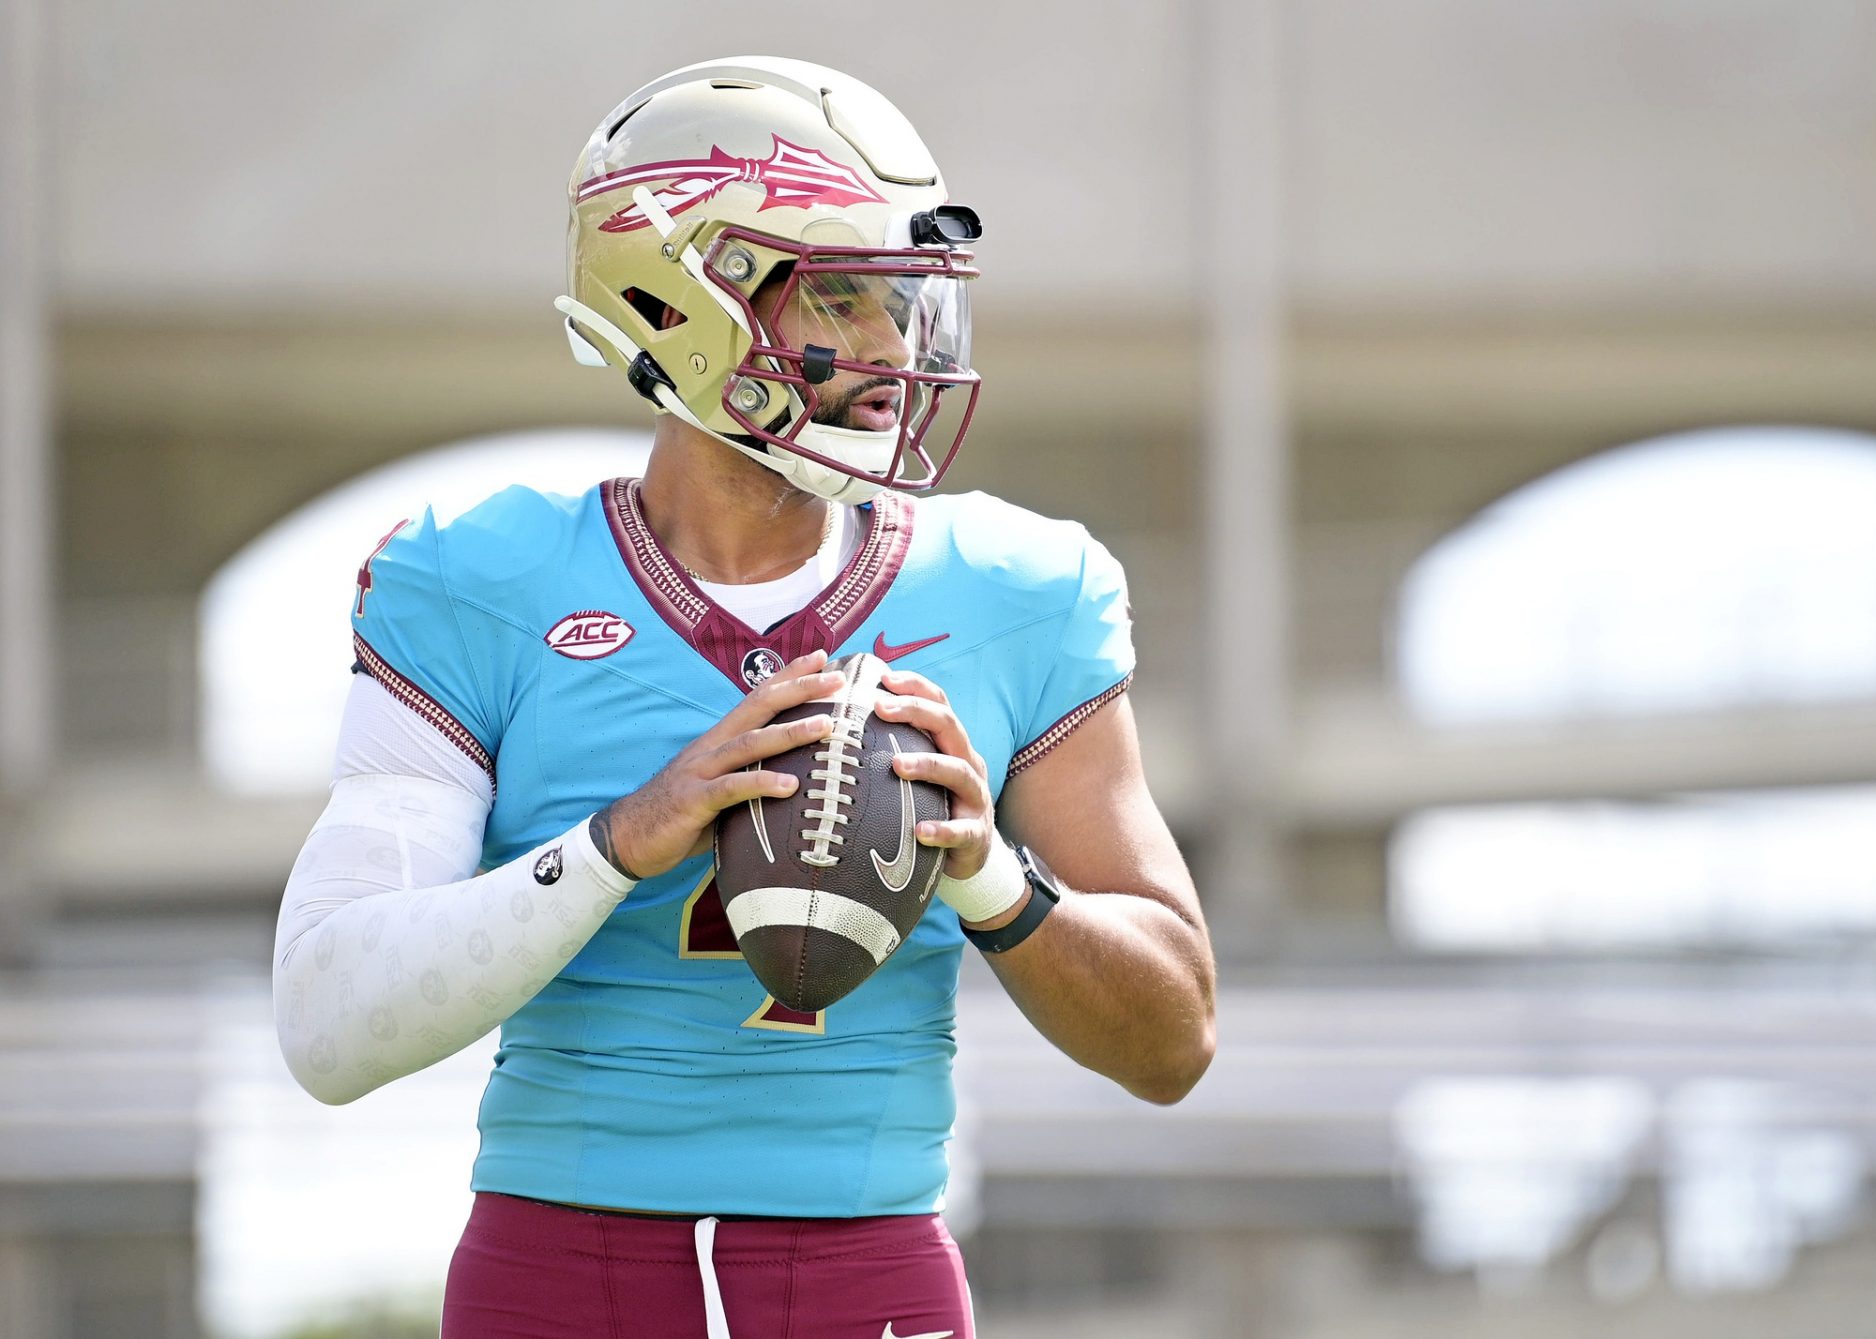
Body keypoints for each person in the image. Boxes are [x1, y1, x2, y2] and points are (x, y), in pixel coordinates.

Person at [272, 55, 1215, 1339]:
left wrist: (992, 875)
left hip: (867, 1265)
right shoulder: (478, 577)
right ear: (682, 300)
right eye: (843, 296)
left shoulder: (1020, 588)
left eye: (903, 304)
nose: (893, 351)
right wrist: (620, 843)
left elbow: (1175, 1040)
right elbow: (330, 1025)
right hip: (561, 1266)